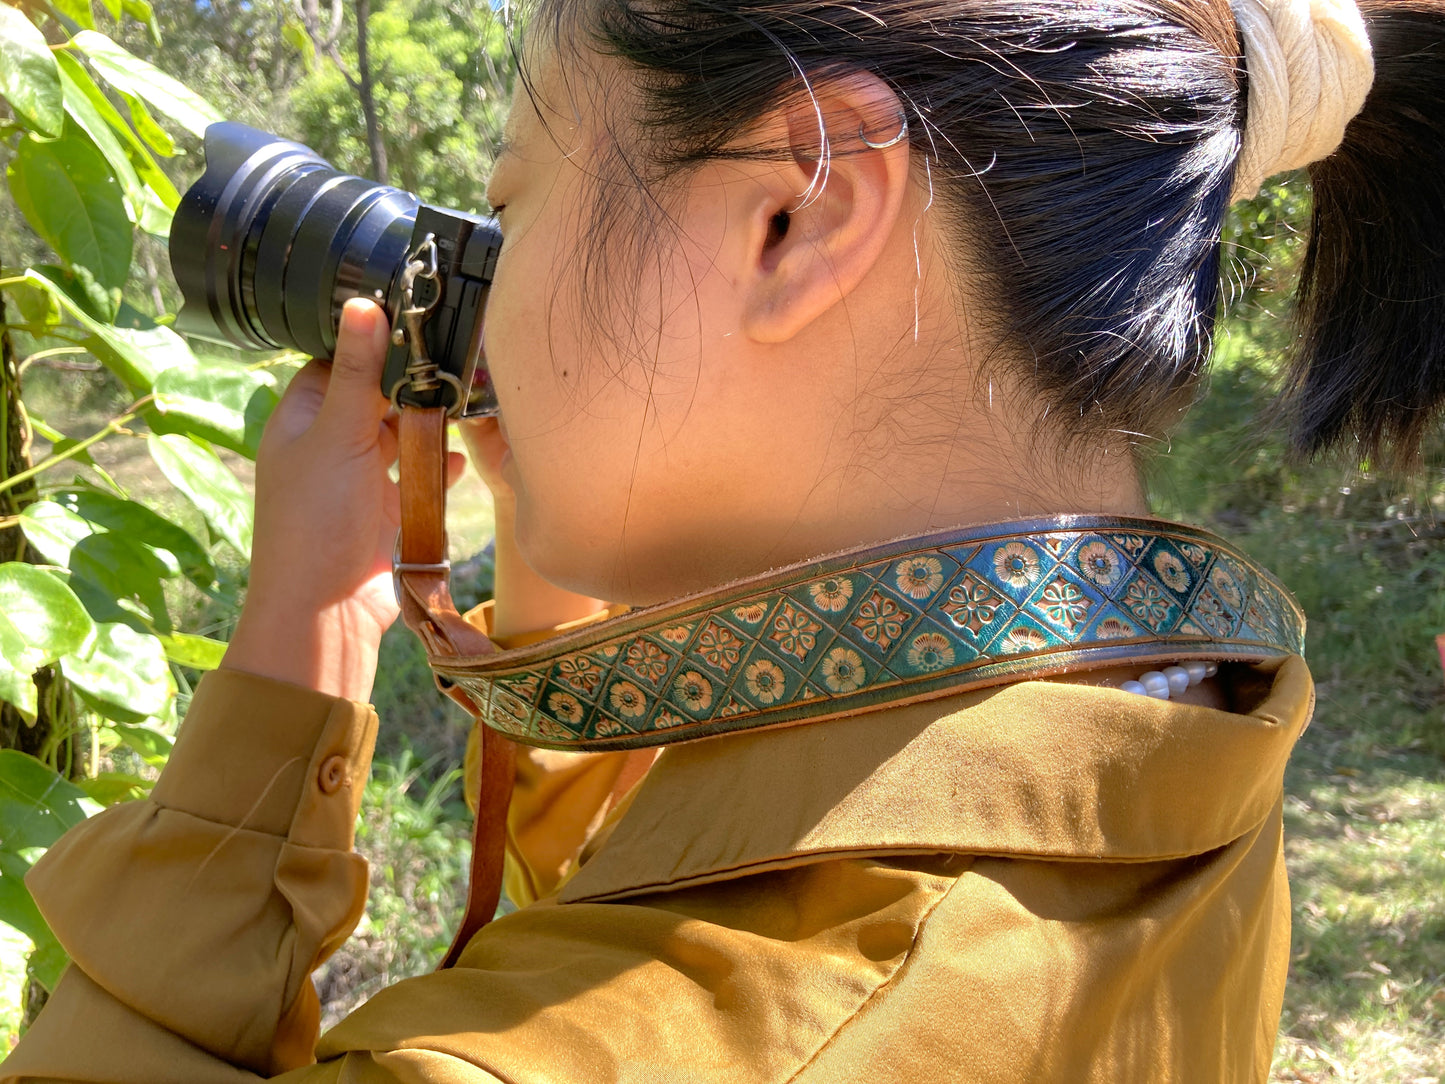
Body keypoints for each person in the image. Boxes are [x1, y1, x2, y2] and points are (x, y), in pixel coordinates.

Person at [6, 0, 1444, 1080]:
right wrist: (559, 570)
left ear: (797, 213)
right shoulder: (1168, 739)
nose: (495, 294)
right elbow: (726, 876)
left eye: (516, 200)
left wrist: (296, 658)